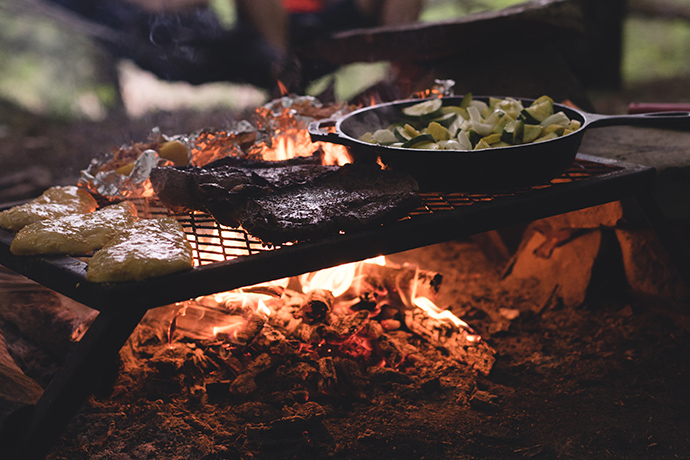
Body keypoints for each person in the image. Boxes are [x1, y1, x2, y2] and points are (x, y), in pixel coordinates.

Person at [46, 0, 421, 92]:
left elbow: (392, 21)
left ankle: (282, 68)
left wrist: (399, 62)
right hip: (252, 41)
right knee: (148, 24)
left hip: (315, 33)